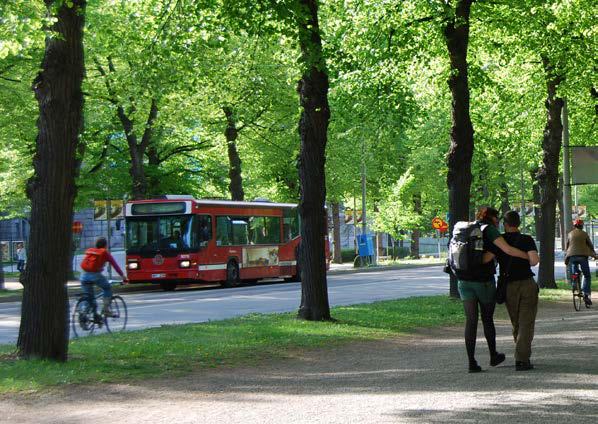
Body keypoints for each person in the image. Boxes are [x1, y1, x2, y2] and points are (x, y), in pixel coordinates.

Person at [457, 206, 530, 373]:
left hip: (463, 281)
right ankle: (493, 355)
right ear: (493, 218)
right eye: (497, 218)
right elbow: (508, 249)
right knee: (487, 319)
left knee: (471, 321)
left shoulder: (466, 229)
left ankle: (471, 362)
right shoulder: (489, 230)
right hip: (482, 282)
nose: (499, 221)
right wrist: (528, 256)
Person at [488, 211, 539, 371]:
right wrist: (525, 256)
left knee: (516, 322)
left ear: (505, 224)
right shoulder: (526, 239)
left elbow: (487, 258)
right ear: (518, 223)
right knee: (526, 322)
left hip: (508, 285)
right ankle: (522, 359)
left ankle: (521, 354)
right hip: (527, 284)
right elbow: (534, 261)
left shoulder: (499, 240)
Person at [80, 237, 127, 321]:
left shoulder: (91, 251)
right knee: (107, 287)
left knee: (90, 297)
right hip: (95, 275)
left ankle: (86, 313)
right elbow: (115, 265)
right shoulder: (104, 253)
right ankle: (106, 310)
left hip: (84, 276)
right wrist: (123, 277)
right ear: (105, 245)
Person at [565, 219, 597, 306]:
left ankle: (574, 281)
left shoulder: (570, 234)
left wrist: (567, 254)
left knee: (574, 271)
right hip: (582, 256)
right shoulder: (584, 234)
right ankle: (586, 294)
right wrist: (594, 253)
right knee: (587, 275)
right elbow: (590, 245)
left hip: (572, 256)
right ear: (582, 226)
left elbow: (567, 246)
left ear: (574, 226)